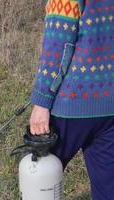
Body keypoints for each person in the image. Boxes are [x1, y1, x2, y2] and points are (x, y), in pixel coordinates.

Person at [29, 0, 114, 199]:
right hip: (110, 107)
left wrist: (42, 101)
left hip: (72, 104)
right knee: (108, 188)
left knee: (38, 178)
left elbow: (58, 47)